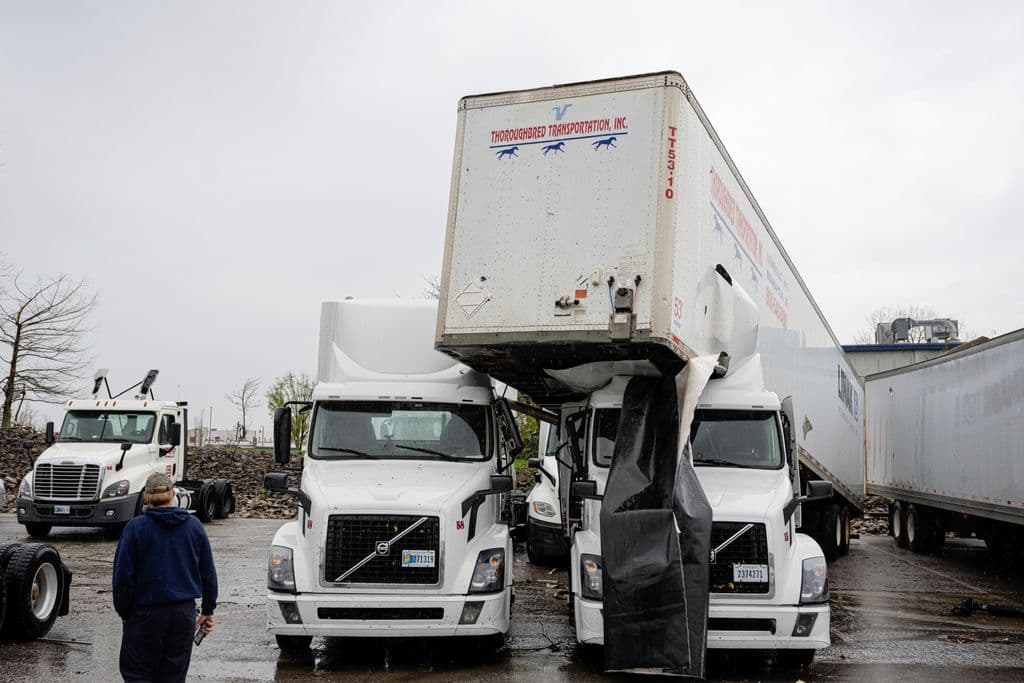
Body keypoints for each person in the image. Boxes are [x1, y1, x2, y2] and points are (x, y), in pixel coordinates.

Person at [112, 473, 218, 682]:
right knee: (173, 677)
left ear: (146, 498)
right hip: (182, 616)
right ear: (173, 495)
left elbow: (123, 577)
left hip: (144, 615)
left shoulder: (135, 528)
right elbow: (208, 572)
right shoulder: (194, 526)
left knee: (138, 675)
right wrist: (207, 610)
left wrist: (125, 611)